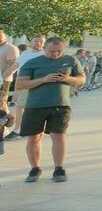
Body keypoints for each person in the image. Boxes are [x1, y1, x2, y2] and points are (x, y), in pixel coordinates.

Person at [15, 36, 84, 183]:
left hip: (60, 105)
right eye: (52, 51)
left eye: (59, 51)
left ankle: (59, 168)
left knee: (59, 136)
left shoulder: (71, 60)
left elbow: (81, 79)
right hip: (35, 105)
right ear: (44, 48)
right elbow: (20, 84)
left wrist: (66, 79)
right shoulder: (33, 62)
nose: (55, 54)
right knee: (34, 137)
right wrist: (44, 79)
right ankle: (35, 169)